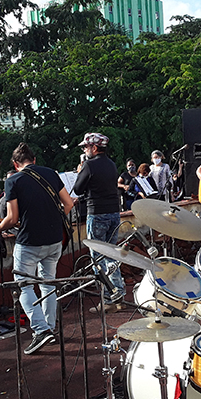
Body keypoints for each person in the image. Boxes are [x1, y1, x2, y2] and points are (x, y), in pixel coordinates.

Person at [0, 143, 74, 354]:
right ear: (34, 160)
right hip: (55, 239)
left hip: (29, 241)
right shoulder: (51, 174)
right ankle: (49, 328)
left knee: (24, 286)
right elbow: (69, 204)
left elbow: (12, 218)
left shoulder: (13, 180)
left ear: (16, 164)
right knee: (48, 284)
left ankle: (40, 330)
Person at [72, 133, 126, 313]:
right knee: (112, 254)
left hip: (97, 213)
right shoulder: (111, 164)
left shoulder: (89, 165)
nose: (84, 150)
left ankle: (108, 299)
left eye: (85, 147)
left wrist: (80, 172)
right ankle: (119, 295)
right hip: (113, 213)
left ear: (94, 148)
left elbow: (78, 188)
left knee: (98, 257)